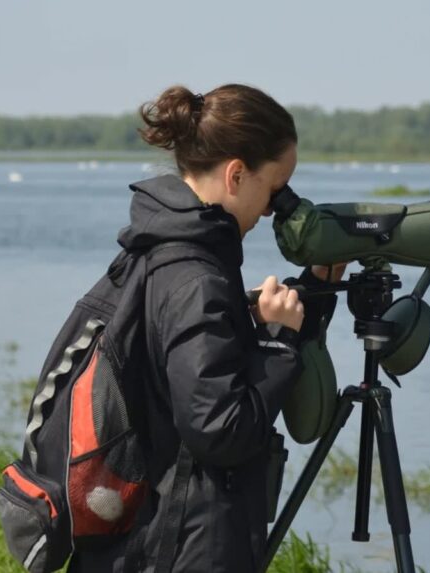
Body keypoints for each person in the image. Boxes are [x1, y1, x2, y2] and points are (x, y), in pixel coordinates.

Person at [67, 84, 345, 573]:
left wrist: (308, 297)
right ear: (237, 174)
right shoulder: (197, 278)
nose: (272, 208)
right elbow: (220, 431)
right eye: (274, 189)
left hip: (142, 540)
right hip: (178, 546)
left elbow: (204, 368)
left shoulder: (160, 247)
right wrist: (278, 346)